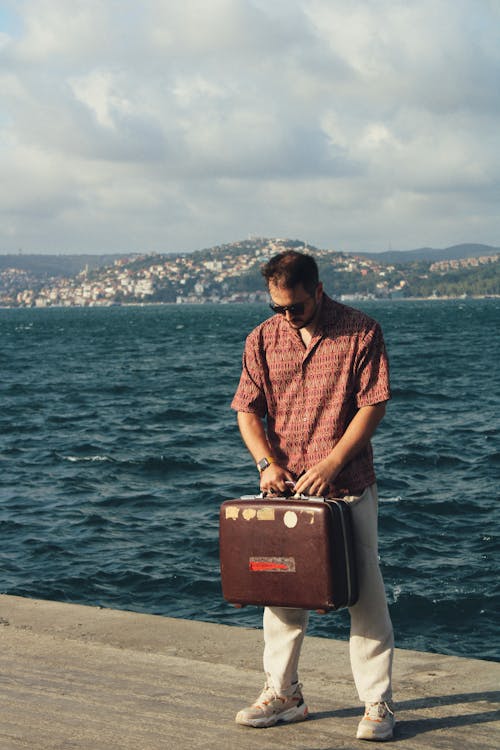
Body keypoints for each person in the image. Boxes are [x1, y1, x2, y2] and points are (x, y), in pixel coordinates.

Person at [230, 250, 395, 742]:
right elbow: (247, 409)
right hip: (284, 492)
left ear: (317, 291)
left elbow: (373, 405)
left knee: (364, 593)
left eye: (295, 307)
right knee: (279, 592)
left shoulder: (361, 330)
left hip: (346, 486)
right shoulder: (261, 338)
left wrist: (331, 463)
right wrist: (265, 464)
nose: (285, 316)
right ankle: (284, 695)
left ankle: (377, 703)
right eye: (277, 307)